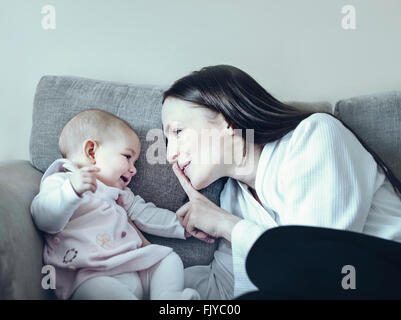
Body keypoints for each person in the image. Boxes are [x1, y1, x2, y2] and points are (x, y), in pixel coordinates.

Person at [161, 64, 401, 299]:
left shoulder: (314, 135)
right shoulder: (231, 197)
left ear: (227, 123)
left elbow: (316, 270)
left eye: (178, 132)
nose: (170, 153)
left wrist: (226, 225)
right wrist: (148, 273)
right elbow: (224, 290)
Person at [30, 109, 200, 300]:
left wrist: (182, 225)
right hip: (89, 275)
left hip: (132, 263)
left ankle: (167, 298)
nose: (133, 169)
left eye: (135, 162)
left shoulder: (120, 194)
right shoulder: (61, 181)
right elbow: (44, 219)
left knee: (168, 259)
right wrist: (71, 191)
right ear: (91, 152)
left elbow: (145, 214)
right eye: (127, 157)